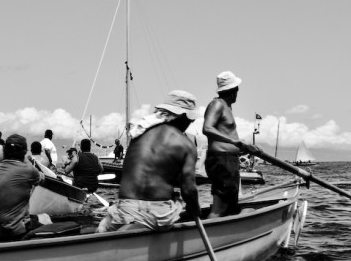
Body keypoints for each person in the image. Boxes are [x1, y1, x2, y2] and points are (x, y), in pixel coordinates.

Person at [97, 90, 200, 233]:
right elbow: (188, 189)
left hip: (126, 208)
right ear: (183, 117)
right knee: (180, 204)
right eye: (190, 119)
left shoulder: (138, 133)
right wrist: (195, 210)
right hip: (158, 213)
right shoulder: (186, 144)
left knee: (103, 226)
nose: (191, 122)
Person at [202, 71, 259, 218]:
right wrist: (234, 141)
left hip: (229, 160)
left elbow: (227, 133)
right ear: (233, 91)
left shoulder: (227, 107)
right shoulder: (217, 104)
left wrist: (245, 147)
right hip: (221, 160)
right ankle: (208, 235)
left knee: (230, 206)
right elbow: (207, 128)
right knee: (220, 207)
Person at [0, 134, 45, 242]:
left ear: (5, 151)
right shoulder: (28, 170)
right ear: (24, 152)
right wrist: (27, 160)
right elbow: (42, 179)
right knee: (45, 218)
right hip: (15, 232)